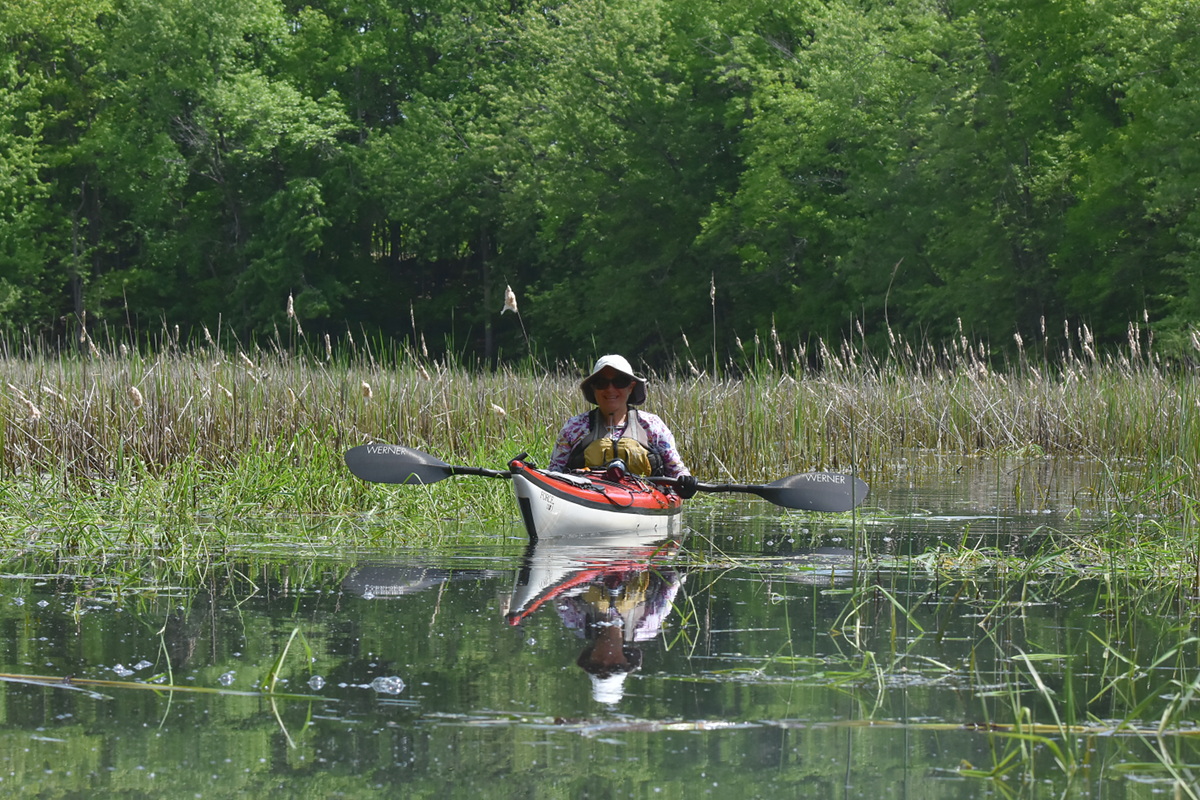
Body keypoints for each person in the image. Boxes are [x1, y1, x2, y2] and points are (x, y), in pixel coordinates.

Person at [547, 354, 698, 498]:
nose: (610, 389)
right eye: (601, 383)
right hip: (585, 498)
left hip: (644, 498)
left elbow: (676, 470)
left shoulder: (652, 425)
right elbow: (553, 473)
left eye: (619, 382)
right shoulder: (574, 427)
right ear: (593, 388)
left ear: (631, 387)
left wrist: (685, 480)